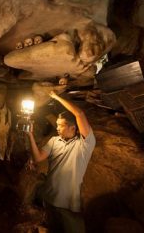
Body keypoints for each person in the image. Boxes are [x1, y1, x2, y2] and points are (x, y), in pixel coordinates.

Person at [26, 91, 96, 233]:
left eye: (61, 125)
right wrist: (30, 135)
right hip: (49, 199)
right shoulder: (54, 141)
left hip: (68, 204)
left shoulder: (84, 144)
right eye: (57, 125)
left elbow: (80, 114)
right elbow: (38, 158)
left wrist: (57, 97)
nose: (57, 128)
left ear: (73, 128)